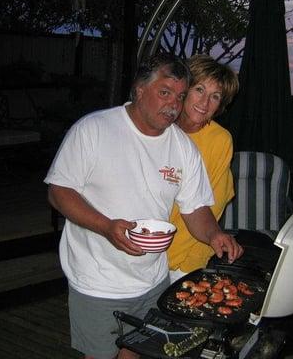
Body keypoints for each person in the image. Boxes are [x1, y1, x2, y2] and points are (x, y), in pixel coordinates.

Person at [44, 52, 243, 359]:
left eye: (179, 96)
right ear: (139, 90)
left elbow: (195, 209)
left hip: (153, 280)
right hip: (99, 281)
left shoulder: (183, 147)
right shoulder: (94, 129)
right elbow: (58, 192)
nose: (174, 104)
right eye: (164, 92)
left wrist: (214, 234)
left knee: (136, 354)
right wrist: (106, 227)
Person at [167, 54, 239, 283]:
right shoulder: (161, 129)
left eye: (215, 96)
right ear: (184, 89)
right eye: (199, 89)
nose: (205, 102)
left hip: (187, 256)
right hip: (147, 249)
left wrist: (184, 262)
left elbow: (212, 206)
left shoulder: (219, 140)